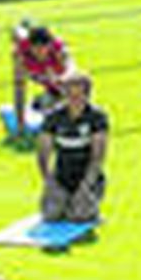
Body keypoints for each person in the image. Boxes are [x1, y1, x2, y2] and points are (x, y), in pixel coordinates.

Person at [37, 71, 107, 224]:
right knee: (51, 215)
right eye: (70, 95)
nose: (74, 100)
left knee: (78, 215)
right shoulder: (53, 117)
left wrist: (85, 187)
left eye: (79, 95)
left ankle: (90, 206)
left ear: (87, 96)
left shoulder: (97, 117)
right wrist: (51, 184)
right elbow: (43, 155)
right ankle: (65, 202)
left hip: (87, 178)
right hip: (62, 177)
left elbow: (98, 157)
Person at [11, 22, 72, 132]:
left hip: (56, 79)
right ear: (30, 47)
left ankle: (40, 102)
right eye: (36, 50)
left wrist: (60, 79)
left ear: (49, 46)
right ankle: (42, 102)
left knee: (56, 104)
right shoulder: (21, 53)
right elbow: (19, 89)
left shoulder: (59, 51)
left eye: (43, 49)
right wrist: (20, 123)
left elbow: (72, 72)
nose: (40, 54)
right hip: (37, 74)